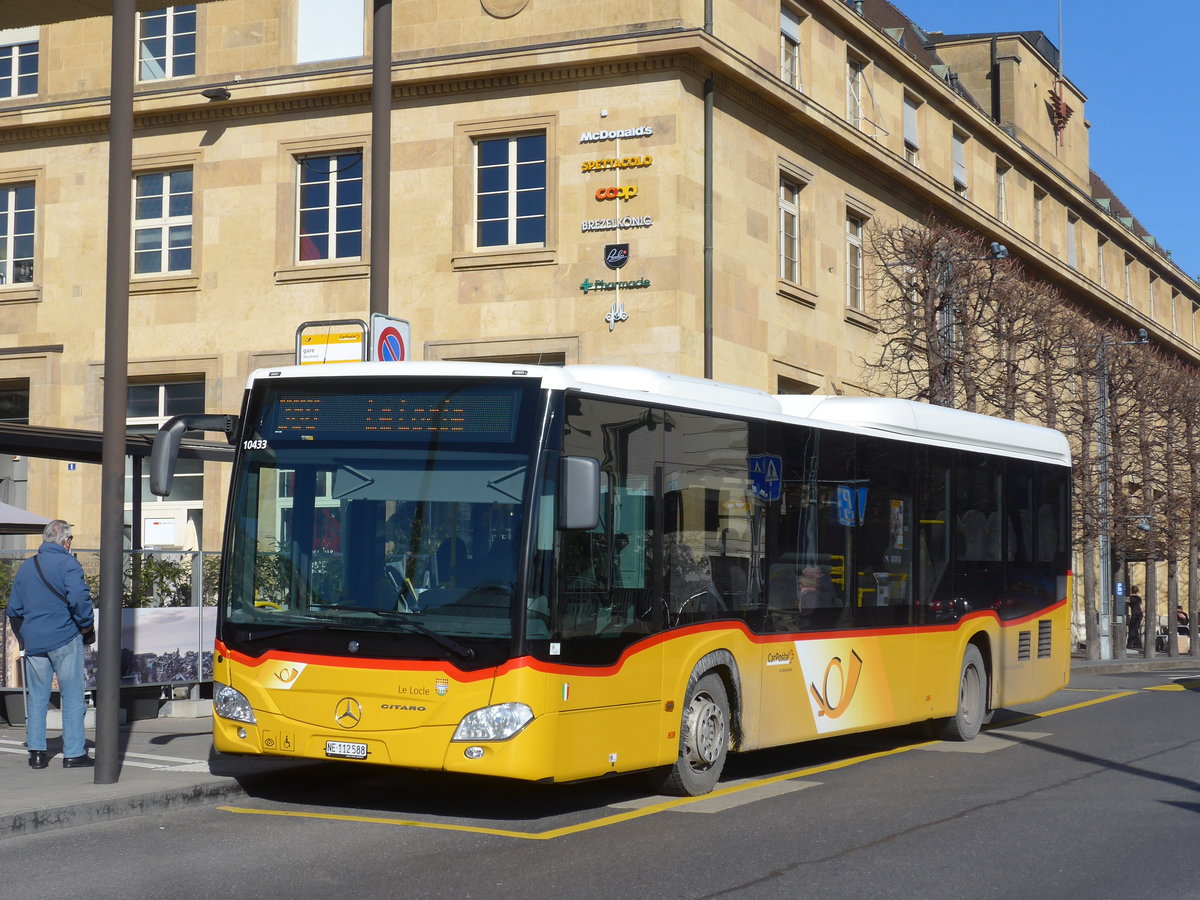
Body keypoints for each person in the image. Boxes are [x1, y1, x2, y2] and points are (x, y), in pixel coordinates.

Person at [6, 519, 95, 769]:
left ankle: (36, 753)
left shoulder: (27, 567)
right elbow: (79, 598)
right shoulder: (68, 563)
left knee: (37, 698)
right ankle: (74, 753)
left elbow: (14, 609)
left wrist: (26, 636)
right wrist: (85, 623)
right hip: (64, 638)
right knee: (72, 696)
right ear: (66, 541)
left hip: (34, 641)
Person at [1126, 586, 1143, 650]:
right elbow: (1141, 607)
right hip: (1139, 614)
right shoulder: (1139, 598)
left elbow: (1123, 601)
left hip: (1134, 614)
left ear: (1131, 591)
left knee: (1131, 629)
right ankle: (1136, 643)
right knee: (1136, 629)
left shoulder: (1129, 598)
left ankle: (1130, 643)